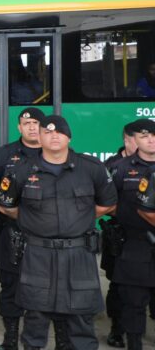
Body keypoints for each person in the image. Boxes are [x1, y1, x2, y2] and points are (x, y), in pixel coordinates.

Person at [0, 115, 116, 350]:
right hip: (37, 254)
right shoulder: (21, 171)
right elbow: (6, 205)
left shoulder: (91, 168)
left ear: (68, 137)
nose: (54, 136)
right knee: (35, 318)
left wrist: (78, 219)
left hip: (79, 254)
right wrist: (35, 220)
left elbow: (108, 204)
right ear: (39, 137)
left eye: (59, 132)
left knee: (81, 319)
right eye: (48, 132)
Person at [0, 107, 49, 350]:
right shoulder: (3, 155)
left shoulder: (56, 153)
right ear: (19, 127)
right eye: (26, 123)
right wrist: (10, 196)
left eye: (36, 123)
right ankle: (10, 339)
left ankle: (34, 339)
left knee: (45, 288)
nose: (31, 127)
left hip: (47, 234)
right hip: (12, 231)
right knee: (10, 287)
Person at [111, 119, 155, 349]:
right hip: (134, 244)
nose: (151, 140)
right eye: (145, 136)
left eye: (154, 136)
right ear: (134, 140)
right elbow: (107, 202)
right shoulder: (120, 168)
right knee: (133, 303)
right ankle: (134, 344)